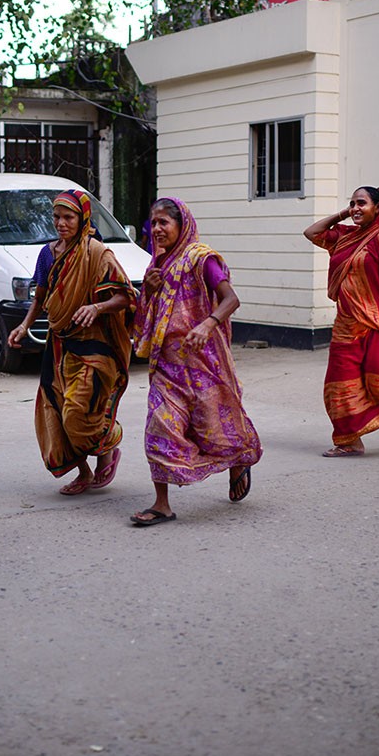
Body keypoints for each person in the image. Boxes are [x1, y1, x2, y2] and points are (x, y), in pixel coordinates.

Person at [128, 198, 262, 527]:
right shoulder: (157, 264)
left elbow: (231, 299)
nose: (157, 230)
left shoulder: (200, 259)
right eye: (153, 223)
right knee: (158, 427)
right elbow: (147, 316)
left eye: (164, 223)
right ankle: (162, 504)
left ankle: (238, 461)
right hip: (167, 365)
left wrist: (207, 324)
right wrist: (151, 289)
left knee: (214, 425)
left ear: (181, 224)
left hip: (204, 361)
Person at [8, 190, 135, 495]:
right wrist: (24, 326)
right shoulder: (47, 254)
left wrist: (96, 307)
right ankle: (83, 472)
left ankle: (109, 444)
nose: (61, 223)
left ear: (83, 218)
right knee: (54, 411)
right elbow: (40, 297)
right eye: (56, 217)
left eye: (68, 217)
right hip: (58, 345)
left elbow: (125, 295)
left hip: (93, 346)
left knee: (78, 413)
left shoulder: (98, 253)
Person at [303, 187, 379, 457]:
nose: (356, 208)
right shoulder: (345, 236)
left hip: (378, 326)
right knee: (338, 387)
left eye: (362, 203)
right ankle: (350, 441)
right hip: (346, 327)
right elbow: (311, 233)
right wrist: (343, 213)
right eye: (352, 204)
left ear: (377, 208)